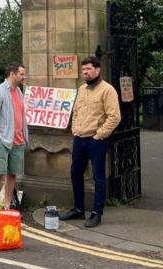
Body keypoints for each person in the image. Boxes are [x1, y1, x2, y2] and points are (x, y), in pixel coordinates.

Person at [59, 56, 121, 228]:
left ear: (97, 70)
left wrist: (99, 135)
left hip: (96, 140)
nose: (85, 72)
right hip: (79, 138)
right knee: (75, 173)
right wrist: (74, 128)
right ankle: (78, 209)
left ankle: (96, 213)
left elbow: (114, 116)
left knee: (98, 177)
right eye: (83, 69)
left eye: (88, 69)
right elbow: (76, 111)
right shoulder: (82, 89)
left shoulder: (107, 90)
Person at [0, 63, 28, 211]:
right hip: (2, 141)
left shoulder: (19, 92)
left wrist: (23, 137)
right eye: (22, 74)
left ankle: (7, 207)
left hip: (18, 141)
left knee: (12, 175)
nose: (24, 77)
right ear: (12, 74)